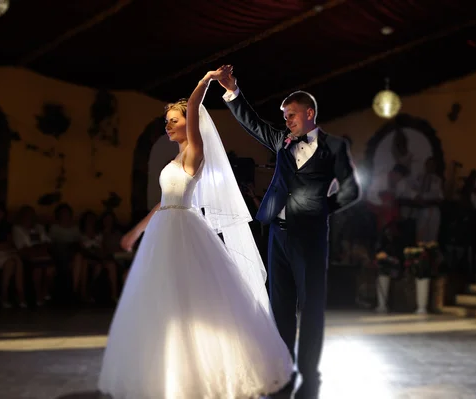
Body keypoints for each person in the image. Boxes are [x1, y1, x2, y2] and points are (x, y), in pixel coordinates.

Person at [97, 66, 292, 399]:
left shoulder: (194, 152)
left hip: (185, 233)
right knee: (163, 303)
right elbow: (164, 203)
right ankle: (169, 374)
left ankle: (203, 374)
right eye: (167, 121)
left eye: (175, 120)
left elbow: (195, 112)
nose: (168, 125)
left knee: (192, 301)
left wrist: (205, 80)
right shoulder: (175, 160)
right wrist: (135, 233)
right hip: (164, 229)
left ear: (189, 123)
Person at [218, 69, 360, 398]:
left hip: (309, 237)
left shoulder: (334, 147)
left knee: (309, 307)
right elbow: (252, 123)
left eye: (291, 115)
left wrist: (323, 208)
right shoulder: (282, 141)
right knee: (280, 306)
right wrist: (233, 91)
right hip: (277, 235)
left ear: (309, 113)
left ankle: (308, 375)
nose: (287, 121)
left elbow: (352, 190)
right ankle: (283, 369)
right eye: (284, 116)